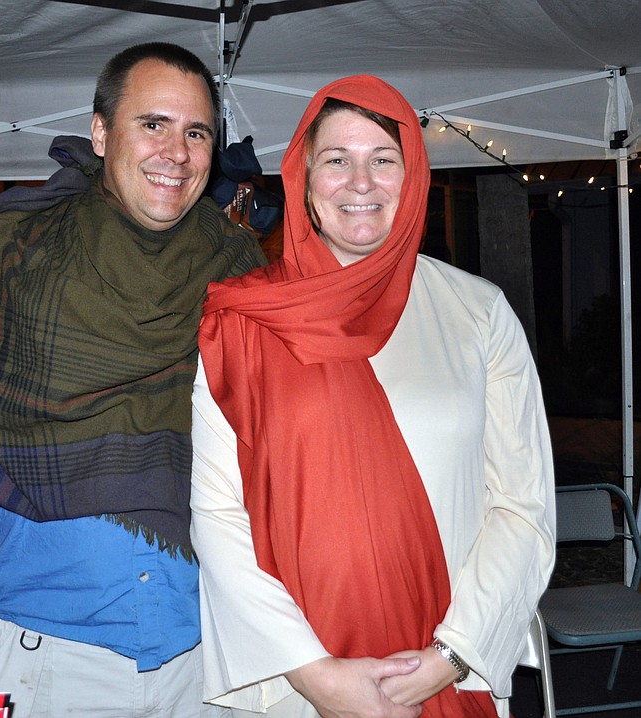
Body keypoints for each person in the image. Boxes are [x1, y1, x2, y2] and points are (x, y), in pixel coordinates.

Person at [0, 42, 266, 717]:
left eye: (197, 132)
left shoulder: (238, 269)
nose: (177, 152)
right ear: (101, 133)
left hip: (207, 649)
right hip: (42, 652)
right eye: (154, 124)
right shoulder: (6, 252)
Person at [189, 74, 556, 718]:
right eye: (337, 160)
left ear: (413, 177)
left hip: (447, 673)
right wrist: (316, 675)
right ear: (304, 178)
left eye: (383, 160)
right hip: (298, 684)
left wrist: (449, 656)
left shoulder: (478, 312)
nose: (361, 183)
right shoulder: (243, 320)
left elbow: (522, 505)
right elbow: (218, 514)